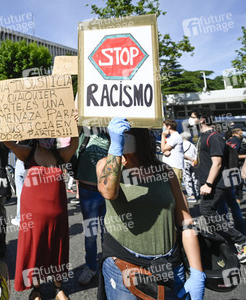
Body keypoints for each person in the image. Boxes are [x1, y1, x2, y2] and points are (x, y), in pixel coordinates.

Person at [96, 118, 205, 299]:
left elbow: (185, 222)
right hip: (125, 265)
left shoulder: (165, 171)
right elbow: (108, 191)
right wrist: (115, 148)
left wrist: (197, 272)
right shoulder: (106, 166)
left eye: (127, 135)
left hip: (169, 266)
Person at [1, 113, 78, 300]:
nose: (47, 137)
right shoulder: (27, 152)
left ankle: (57, 287)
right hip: (32, 216)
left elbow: (74, 145)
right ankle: (36, 288)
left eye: (50, 133)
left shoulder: (60, 155)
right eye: (43, 133)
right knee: (35, 249)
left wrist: (76, 125)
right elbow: (8, 143)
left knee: (57, 249)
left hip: (57, 215)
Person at [189, 108, 246, 262]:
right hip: (209, 183)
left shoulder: (214, 137)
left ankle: (241, 241)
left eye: (192, 117)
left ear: (201, 119)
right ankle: (224, 247)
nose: (190, 120)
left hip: (215, 184)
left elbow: (217, 163)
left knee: (207, 212)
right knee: (214, 216)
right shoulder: (203, 136)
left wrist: (208, 183)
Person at [74, 127, 109, 286]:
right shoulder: (85, 132)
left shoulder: (111, 134)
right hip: (88, 192)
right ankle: (90, 267)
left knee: (108, 233)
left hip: (108, 193)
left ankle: (108, 266)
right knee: (91, 234)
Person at [161, 118, 184, 186]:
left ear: (169, 127)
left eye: (164, 126)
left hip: (175, 167)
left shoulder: (175, 137)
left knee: (177, 190)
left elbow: (163, 148)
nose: (163, 128)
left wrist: (163, 136)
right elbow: (164, 150)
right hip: (170, 166)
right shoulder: (171, 137)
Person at [181, 132, 200, 202]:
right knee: (194, 178)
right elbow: (196, 154)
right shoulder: (192, 145)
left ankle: (191, 195)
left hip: (185, 163)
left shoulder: (181, 145)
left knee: (187, 178)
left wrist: (189, 158)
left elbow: (181, 154)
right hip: (193, 163)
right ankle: (196, 193)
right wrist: (194, 161)